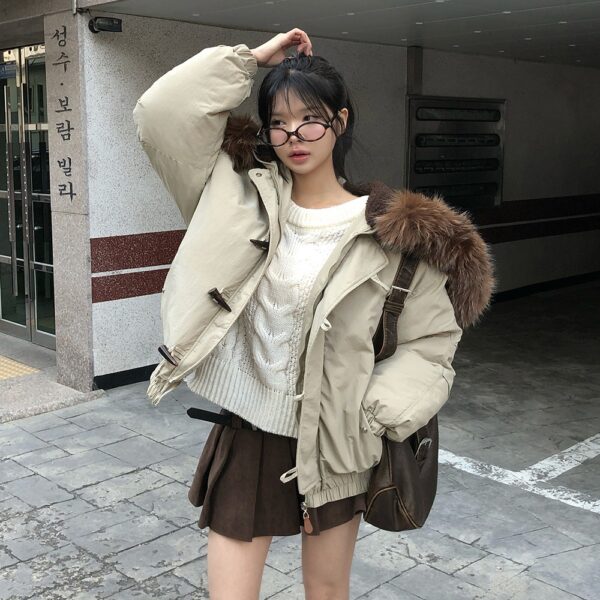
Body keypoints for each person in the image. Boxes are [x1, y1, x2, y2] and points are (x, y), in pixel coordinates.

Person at [133, 28, 495, 600]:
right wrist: (250, 60)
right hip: (248, 430)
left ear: (340, 121)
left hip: (336, 439)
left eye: (310, 119)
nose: (293, 136)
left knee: (326, 590)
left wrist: (372, 414)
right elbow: (160, 114)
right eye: (278, 122)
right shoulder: (234, 196)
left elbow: (430, 344)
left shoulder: (396, 237)